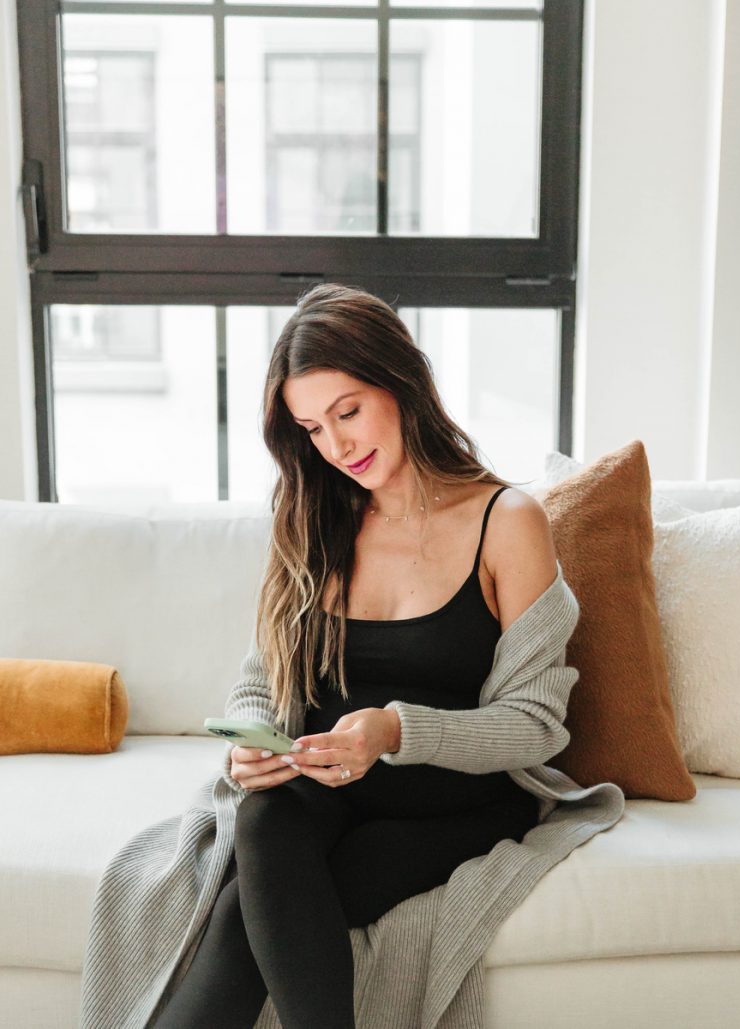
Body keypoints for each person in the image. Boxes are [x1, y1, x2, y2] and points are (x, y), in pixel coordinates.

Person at [152, 281, 564, 1029]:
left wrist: (394, 730)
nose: (337, 446)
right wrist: (249, 745)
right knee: (265, 819)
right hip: (323, 785)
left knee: (256, 909)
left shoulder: (507, 520)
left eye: (348, 410)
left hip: (453, 799)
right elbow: (261, 679)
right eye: (312, 426)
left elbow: (536, 723)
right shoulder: (314, 514)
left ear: (402, 383)